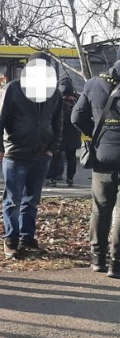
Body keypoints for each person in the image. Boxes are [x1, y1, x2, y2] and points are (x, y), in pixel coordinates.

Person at [0, 52, 63, 260]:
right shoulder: (13, 89)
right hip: (15, 153)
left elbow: (58, 122)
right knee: (13, 200)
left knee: (32, 200)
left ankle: (27, 238)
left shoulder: (54, 93)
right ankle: (11, 240)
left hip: (41, 154)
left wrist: (52, 149)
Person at [71, 60, 120, 276]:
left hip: (103, 156)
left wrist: (96, 134)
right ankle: (116, 263)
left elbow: (76, 117)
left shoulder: (93, 83)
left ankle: (97, 259)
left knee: (100, 208)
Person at [47, 78, 81, 187]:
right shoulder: (77, 98)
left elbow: (51, 115)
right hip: (73, 133)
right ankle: (70, 178)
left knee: (56, 157)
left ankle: (53, 178)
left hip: (60, 132)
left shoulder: (56, 99)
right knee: (71, 157)